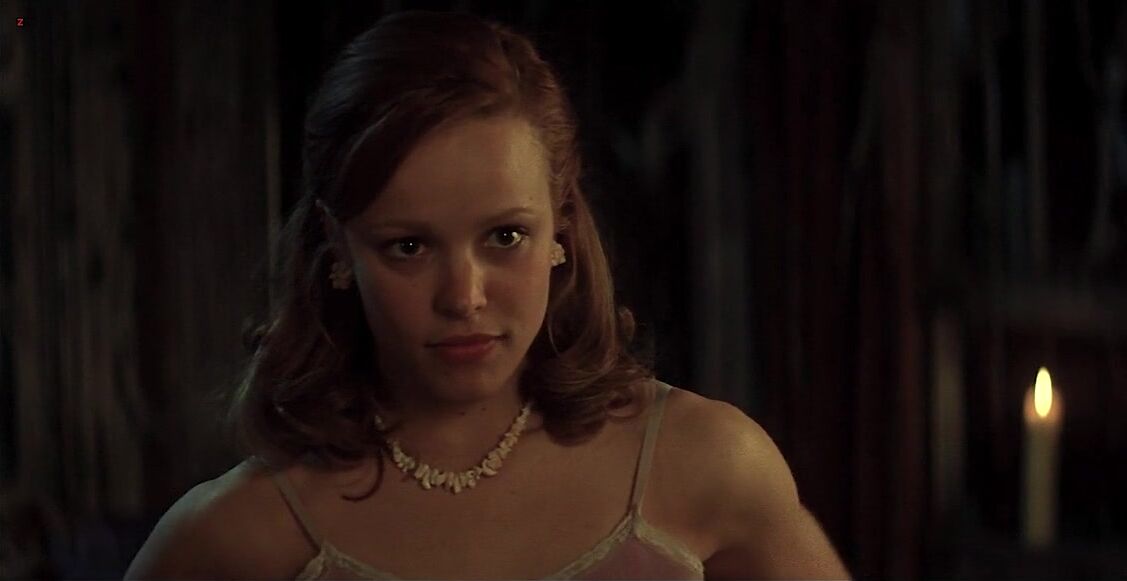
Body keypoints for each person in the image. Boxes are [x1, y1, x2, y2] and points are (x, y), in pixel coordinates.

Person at [124, 10, 849, 580]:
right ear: (339, 248)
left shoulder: (706, 463)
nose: (464, 297)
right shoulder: (241, 533)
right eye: (409, 247)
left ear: (561, 225)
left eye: (505, 236)